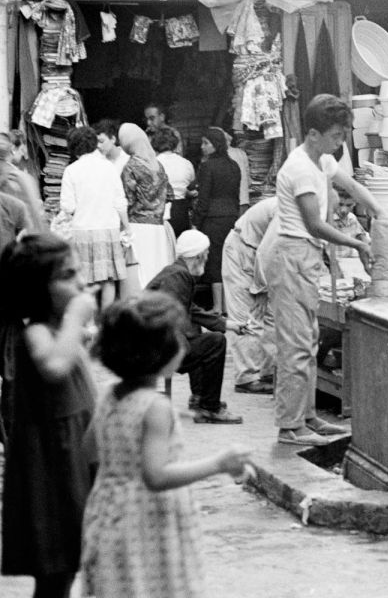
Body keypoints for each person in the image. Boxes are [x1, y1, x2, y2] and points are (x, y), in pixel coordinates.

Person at [82, 292, 253, 598]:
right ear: (158, 353)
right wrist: (220, 463)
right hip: (147, 519)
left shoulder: (108, 394)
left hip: (109, 512)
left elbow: (89, 453)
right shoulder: (155, 407)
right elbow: (156, 476)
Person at [261, 94, 388, 447]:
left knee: (309, 339)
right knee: (295, 344)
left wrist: (382, 212)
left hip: (306, 256)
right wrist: (359, 244)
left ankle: (308, 416)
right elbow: (315, 224)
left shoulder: (322, 161)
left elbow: (351, 186)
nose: (340, 142)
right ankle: (290, 426)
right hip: (291, 253)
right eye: (335, 136)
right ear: (314, 134)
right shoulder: (299, 166)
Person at [0, 234, 96, 598]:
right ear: (39, 289)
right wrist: (75, 318)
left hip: (74, 454)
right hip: (52, 464)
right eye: (69, 275)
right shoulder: (35, 332)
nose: (82, 282)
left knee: (68, 566)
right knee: (55, 567)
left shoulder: (60, 332)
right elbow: (55, 366)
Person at [144, 230, 243, 424]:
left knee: (201, 336)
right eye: (206, 254)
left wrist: (228, 324)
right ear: (198, 256)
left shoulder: (176, 272)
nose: (207, 258)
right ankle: (209, 407)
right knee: (215, 342)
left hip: (154, 343)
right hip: (158, 348)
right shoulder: (178, 276)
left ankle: (201, 398)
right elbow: (173, 316)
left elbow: (191, 310)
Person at [60, 126, 130, 308]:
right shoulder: (109, 167)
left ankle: (89, 322)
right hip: (109, 229)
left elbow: (67, 206)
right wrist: (127, 227)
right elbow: (120, 201)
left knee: (85, 280)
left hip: (82, 230)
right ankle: (105, 321)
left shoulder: (71, 170)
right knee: (108, 279)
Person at [221, 197, 278, 394]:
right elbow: (265, 251)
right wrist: (261, 289)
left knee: (271, 315)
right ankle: (247, 377)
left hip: (260, 255)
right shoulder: (285, 208)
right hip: (244, 250)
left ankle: (268, 371)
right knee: (246, 315)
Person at [119, 123, 175, 290]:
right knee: (158, 270)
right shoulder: (158, 165)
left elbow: (127, 199)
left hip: (138, 227)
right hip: (158, 228)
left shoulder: (131, 167)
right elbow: (170, 194)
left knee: (141, 273)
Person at [193, 128, 241, 313]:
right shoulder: (233, 165)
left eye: (206, 143)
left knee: (214, 261)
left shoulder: (207, 167)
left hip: (212, 218)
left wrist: (196, 222)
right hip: (230, 216)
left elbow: (203, 199)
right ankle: (229, 305)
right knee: (228, 260)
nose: (203, 147)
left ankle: (217, 306)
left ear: (216, 144)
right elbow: (236, 195)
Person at [152, 126, 195, 239]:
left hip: (159, 210)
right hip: (181, 211)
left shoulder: (153, 164)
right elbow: (191, 185)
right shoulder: (186, 164)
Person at [0, 129, 45, 231]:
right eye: (21, 149)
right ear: (12, 149)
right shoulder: (18, 178)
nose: (23, 153)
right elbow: (34, 212)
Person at [329, 186, 370, 262]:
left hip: (349, 260)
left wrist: (366, 245)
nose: (344, 210)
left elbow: (361, 234)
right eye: (340, 204)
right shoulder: (328, 220)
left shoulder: (352, 218)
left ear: (354, 204)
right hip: (334, 261)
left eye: (349, 205)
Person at [224, 130, 251, 215]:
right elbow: (248, 177)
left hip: (228, 202)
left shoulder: (221, 156)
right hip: (243, 199)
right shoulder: (241, 152)